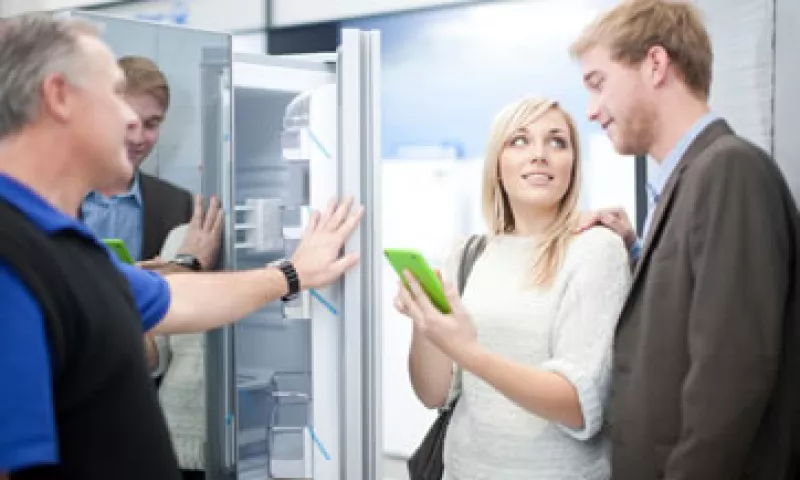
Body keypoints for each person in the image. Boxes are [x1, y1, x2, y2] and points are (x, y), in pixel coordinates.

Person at [0, 13, 362, 480]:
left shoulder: (66, 249)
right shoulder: (12, 255)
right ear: (59, 96)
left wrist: (292, 273)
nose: (133, 121)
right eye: (113, 93)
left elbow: (176, 298)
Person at [570, 1, 800, 478]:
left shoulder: (729, 170)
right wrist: (640, 253)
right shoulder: (689, 182)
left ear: (655, 64)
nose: (592, 112)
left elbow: (731, 377)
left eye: (598, 83)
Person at [395, 96, 631, 480]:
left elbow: (577, 405)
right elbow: (433, 395)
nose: (539, 154)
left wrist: (468, 352)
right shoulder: (467, 254)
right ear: (496, 165)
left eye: (557, 142)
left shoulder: (596, 250)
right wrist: (425, 326)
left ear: (572, 165)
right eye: (519, 140)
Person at [81, 55, 223, 387]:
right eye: (127, 122)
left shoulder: (178, 205)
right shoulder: (47, 198)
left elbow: (178, 330)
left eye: (151, 124)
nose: (139, 138)